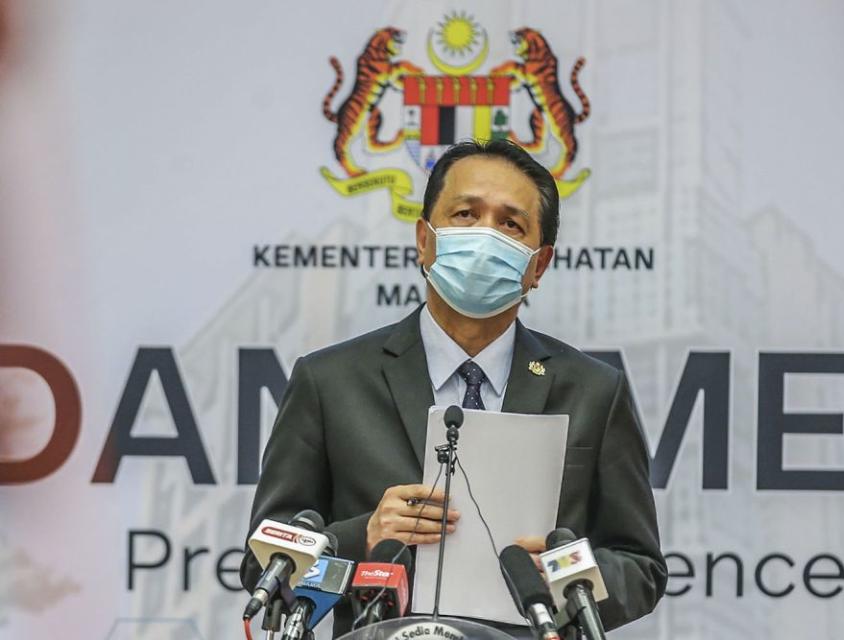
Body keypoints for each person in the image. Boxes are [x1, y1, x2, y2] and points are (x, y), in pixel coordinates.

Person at [240, 139, 667, 637]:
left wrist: (565, 575)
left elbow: (641, 566)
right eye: (465, 213)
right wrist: (364, 535)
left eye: (510, 224)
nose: (485, 235)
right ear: (425, 239)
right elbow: (263, 570)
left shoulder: (595, 391)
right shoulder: (328, 381)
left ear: (539, 265)